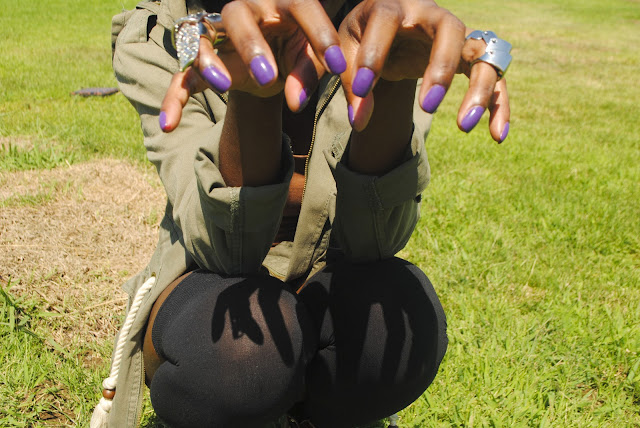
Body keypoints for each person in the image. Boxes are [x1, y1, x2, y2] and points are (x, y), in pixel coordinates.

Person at [94, 0, 511, 427]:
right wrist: (256, 96)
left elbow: (375, 242)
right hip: (206, 285)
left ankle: (310, 410)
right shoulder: (166, 32)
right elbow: (223, 252)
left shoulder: (388, 23)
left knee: (400, 324)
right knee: (242, 351)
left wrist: (390, 84)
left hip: (330, 272)